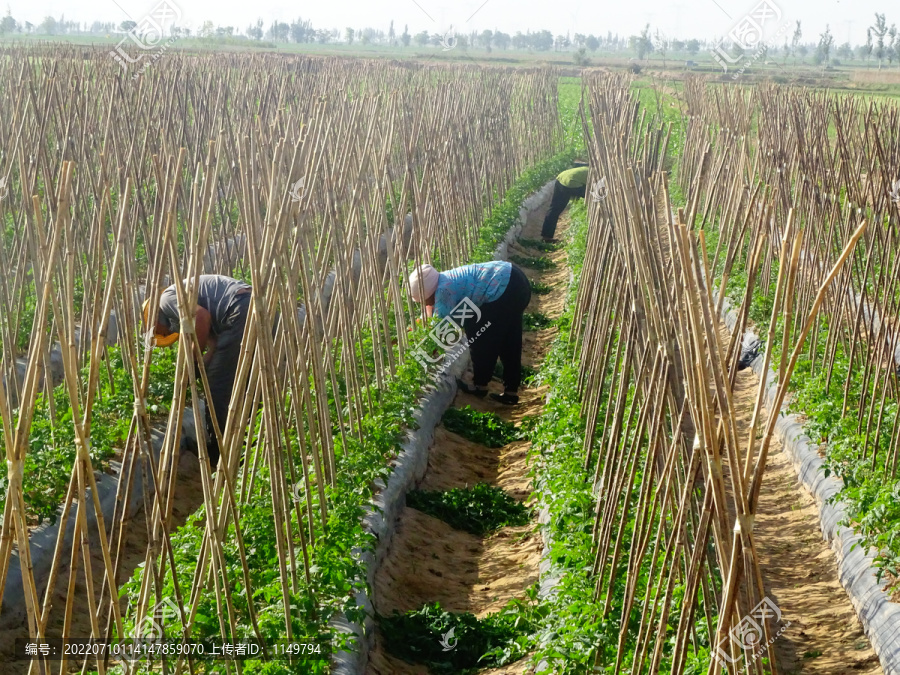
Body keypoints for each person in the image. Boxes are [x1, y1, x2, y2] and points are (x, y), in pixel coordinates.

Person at [143, 274, 252, 466]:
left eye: (161, 332)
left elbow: (202, 317)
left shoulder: (166, 299)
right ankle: (250, 438)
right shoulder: (181, 299)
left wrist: (192, 362)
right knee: (244, 380)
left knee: (216, 386)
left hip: (239, 309)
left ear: (153, 319)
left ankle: (220, 452)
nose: (167, 333)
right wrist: (203, 366)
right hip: (250, 305)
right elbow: (214, 346)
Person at [408, 261, 531, 405]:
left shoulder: (443, 291)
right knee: (509, 338)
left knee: (480, 336)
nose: (425, 304)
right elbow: (439, 316)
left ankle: (480, 385)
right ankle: (511, 390)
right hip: (516, 280)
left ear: (428, 293)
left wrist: (423, 354)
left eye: (424, 300)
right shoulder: (446, 279)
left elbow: (439, 330)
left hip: (503, 287)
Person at [541, 164, 589, 242]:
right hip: (571, 182)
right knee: (593, 196)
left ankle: (546, 236)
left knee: (554, 208)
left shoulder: (587, 169)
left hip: (561, 178)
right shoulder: (599, 176)